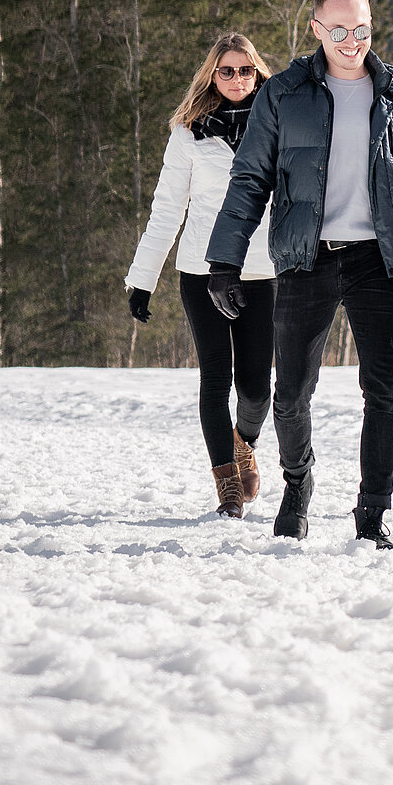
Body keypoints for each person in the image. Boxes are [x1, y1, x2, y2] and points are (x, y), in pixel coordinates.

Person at [206, 0, 393, 551]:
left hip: (377, 260)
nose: (352, 39)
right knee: (291, 392)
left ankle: (372, 514)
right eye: (340, 28)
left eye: (363, 28)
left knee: (384, 392)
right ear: (317, 27)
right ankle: (297, 485)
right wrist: (224, 260)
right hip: (306, 259)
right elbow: (250, 180)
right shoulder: (283, 94)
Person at [124, 33, 278, 518]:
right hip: (202, 270)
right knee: (216, 377)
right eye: (226, 71)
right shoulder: (188, 133)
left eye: (245, 70)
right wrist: (142, 278)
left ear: (258, 73)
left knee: (256, 386)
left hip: (263, 270)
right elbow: (167, 210)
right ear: (212, 74)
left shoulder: (280, 124)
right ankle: (227, 487)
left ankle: (243, 443)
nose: (236, 79)